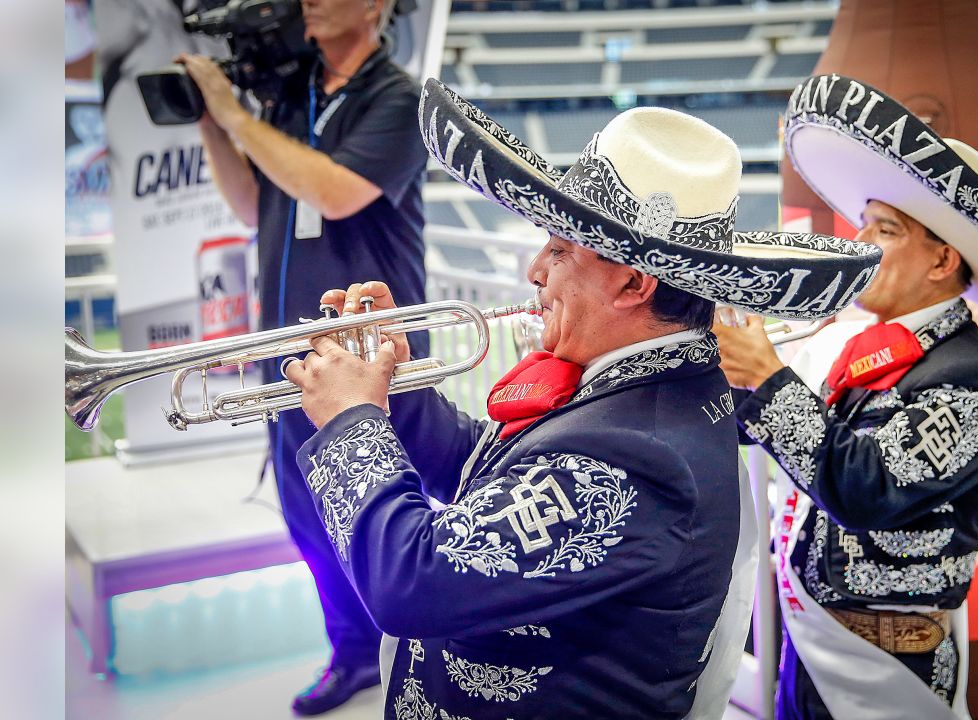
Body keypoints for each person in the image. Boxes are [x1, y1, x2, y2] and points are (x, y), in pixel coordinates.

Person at [278, 83, 884, 719]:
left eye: (560, 250)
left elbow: (411, 584)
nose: (535, 270)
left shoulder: (639, 448)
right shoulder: (636, 390)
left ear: (632, 284)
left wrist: (352, 425)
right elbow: (484, 479)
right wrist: (394, 390)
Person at [715, 74, 978, 720]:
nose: (857, 245)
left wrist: (767, 377)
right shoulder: (859, 348)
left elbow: (867, 488)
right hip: (809, 652)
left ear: (940, 261)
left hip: (889, 670)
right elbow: (764, 431)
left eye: (884, 231)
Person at [179, 1, 431, 713]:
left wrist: (235, 114)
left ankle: (417, 651)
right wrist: (211, 122)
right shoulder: (294, 97)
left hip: (375, 358)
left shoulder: (398, 97)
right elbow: (252, 205)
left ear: (377, 6)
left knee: (387, 513)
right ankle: (353, 654)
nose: (309, 2)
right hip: (293, 354)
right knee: (308, 516)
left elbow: (332, 191)